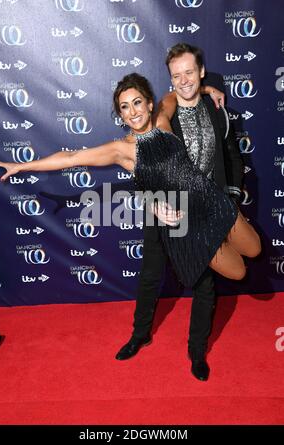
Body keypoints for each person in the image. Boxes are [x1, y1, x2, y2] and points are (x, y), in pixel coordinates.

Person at [0, 73, 261, 380]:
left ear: (148, 103)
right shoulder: (122, 150)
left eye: (137, 103)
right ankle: (155, 340)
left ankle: (196, 348)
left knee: (248, 254)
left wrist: (207, 88)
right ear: (119, 114)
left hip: (203, 203)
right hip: (167, 217)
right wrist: (22, 166)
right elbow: (71, 157)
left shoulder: (162, 120)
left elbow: (174, 95)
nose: (132, 111)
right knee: (158, 277)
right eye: (124, 107)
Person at [114, 43, 251, 381]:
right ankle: (140, 333)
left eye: (191, 72)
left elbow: (232, 156)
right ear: (170, 79)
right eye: (178, 75)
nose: (184, 79)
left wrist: (230, 198)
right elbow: (146, 161)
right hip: (160, 207)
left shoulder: (217, 108)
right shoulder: (163, 110)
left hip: (203, 209)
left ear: (200, 72)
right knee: (150, 275)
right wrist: (153, 203)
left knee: (204, 284)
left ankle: (196, 352)